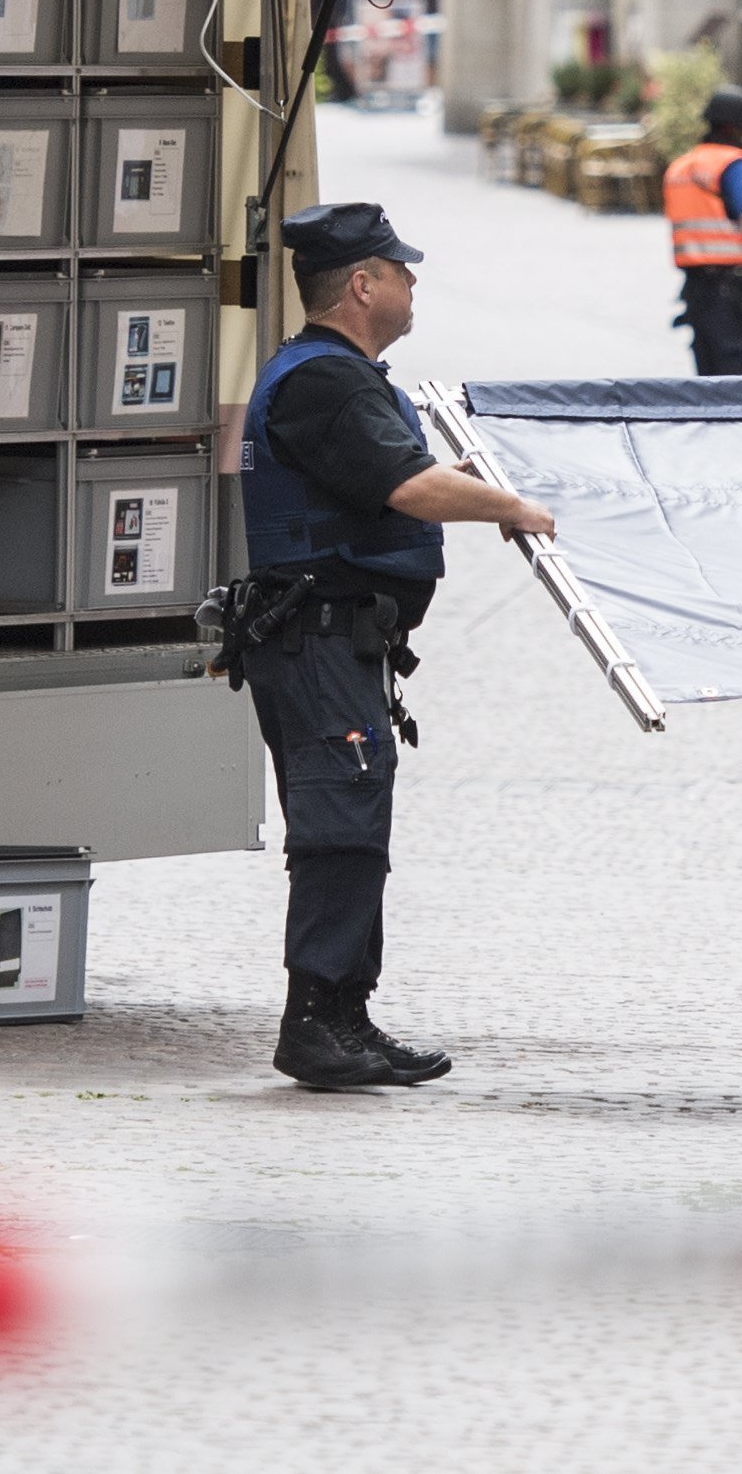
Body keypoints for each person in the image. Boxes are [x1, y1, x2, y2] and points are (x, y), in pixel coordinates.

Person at [227, 204, 557, 1090]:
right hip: (319, 640)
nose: (415, 283)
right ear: (363, 284)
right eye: (402, 270)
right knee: (341, 828)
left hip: (330, 639)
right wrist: (513, 506)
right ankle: (318, 1023)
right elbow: (408, 487)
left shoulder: (328, 373)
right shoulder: (326, 383)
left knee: (350, 823)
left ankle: (344, 1017)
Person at [662, 85, 742, 375]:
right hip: (732, 293)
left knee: (709, 386)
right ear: (740, 127)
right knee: (738, 389)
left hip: (696, 291)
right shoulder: (733, 166)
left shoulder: (681, 167)